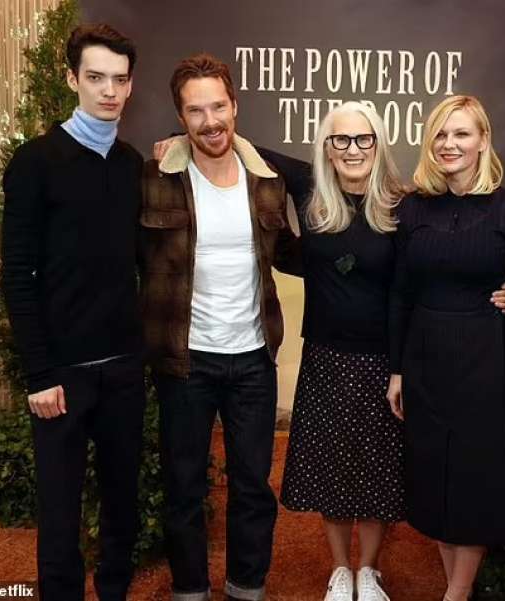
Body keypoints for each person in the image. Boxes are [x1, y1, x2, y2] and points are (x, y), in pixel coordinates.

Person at [138, 53, 300, 601]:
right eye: (195, 111)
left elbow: (298, 251)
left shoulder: (267, 180)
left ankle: (246, 587)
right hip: (185, 361)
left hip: (254, 357)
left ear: (236, 106)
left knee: (253, 486)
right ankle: (190, 590)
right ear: (181, 118)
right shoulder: (157, 178)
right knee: (184, 486)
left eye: (218, 106)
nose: (210, 121)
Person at [0, 24, 144, 601]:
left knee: (122, 503)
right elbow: (16, 274)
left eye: (119, 79)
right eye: (95, 77)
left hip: (125, 370)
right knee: (59, 514)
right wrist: (39, 373)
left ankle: (114, 591)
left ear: (130, 86)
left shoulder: (133, 163)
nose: (108, 90)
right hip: (61, 376)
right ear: (71, 79)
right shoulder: (36, 161)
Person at [258, 102, 406, 601]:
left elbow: (430, 273)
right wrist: (178, 137)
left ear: (379, 144)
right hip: (324, 356)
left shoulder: (402, 206)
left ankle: (370, 570)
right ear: (326, 147)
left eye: (363, 139)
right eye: (340, 140)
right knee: (332, 466)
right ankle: (341, 570)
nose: (352, 149)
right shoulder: (310, 193)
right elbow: (249, 149)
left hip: (384, 362)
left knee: (381, 470)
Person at [387, 95, 505, 601]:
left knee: (473, 478)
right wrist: (398, 371)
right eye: (442, 135)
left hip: (484, 357)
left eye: (462, 134)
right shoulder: (412, 207)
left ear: (483, 140)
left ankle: (456, 593)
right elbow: (400, 293)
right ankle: (457, 587)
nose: (450, 144)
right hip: (426, 357)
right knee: (437, 477)